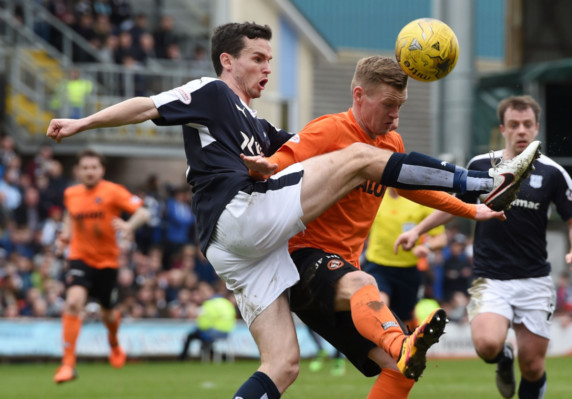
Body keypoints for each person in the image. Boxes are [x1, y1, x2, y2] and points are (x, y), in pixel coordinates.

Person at [47, 23, 537, 398]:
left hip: (242, 254)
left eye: (269, 59)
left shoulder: (259, 123)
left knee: (282, 364)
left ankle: (397, 344)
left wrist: (271, 163)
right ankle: (486, 180)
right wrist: (81, 123)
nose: (266, 68)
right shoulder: (212, 93)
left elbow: (293, 153)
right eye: (258, 59)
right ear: (227, 61)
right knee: (362, 159)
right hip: (238, 215)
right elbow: (146, 105)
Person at [246, 56, 538, 398]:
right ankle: (401, 343)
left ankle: (400, 349)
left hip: (341, 270)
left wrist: (471, 212)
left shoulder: (391, 143)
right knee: (363, 284)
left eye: (400, 106)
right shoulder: (329, 129)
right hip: (300, 260)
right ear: (359, 96)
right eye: (388, 105)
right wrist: (267, 165)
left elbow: (415, 190)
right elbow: (287, 157)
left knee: (399, 372)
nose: (395, 116)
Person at [396, 95, 572, 399]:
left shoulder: (552, 172)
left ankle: (521, 369)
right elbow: (455, 205)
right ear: (503, 128)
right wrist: (419, 230)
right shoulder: (482, 165)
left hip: (534, 279)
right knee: (487, 346)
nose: (521, 130)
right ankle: (502, 359)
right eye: (514, 125)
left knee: (533, 365)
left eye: (527, 124)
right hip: (489, 278)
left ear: (536, 127)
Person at [53, 149, 150, 384]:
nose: (89, 171)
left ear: (101, 170)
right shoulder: (71, 194)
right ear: (78, 170)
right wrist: (64, 237)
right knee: (74, 302)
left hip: (107, 262)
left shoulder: (113, 191)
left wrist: (129, 227)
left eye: (93, 167)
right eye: (85, 168)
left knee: (108, 313)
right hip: (80, 258)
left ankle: (114, 344)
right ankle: (68, 363)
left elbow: (143, 213)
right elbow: (70, 217)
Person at [364, 187, 446, 329]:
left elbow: (441, 238)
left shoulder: (421, 199)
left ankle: (404, 347)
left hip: (408, 270)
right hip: (377, 265)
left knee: (404, 321)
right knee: (380, 304)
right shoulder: (375, 195)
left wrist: (426, 247)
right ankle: (373, 345)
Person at [178, 283, 237, 361]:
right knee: (203, 336)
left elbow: (203, 324)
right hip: (226, 332)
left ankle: (183, 358)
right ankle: (217, 356)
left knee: (193, 335)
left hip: (213, 332)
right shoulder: (227, 303)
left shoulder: (209, 304)